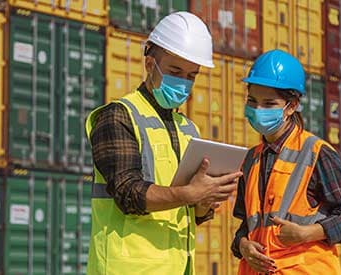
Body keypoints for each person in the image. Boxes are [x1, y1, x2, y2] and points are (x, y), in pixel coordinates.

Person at [85, 12, 242, 275]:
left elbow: (187, 213)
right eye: (175, 71)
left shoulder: (189, 129)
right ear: (149, 64)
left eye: (191, 75)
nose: (183, 82)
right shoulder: (118, 115)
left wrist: (204, 202)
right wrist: (191, 193)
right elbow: (128, 193)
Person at [230, 49, 341, 275]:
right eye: (252, 101)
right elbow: (247, 225)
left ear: (291, 106)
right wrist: (243, 246)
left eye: (268, 103)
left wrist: (307, 233)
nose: (257, 110)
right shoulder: (251, 159)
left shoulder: (316, 152)